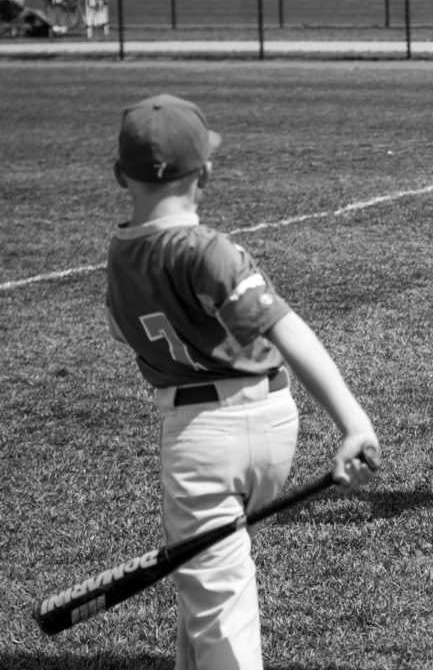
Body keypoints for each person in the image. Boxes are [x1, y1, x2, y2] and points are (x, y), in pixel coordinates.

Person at [105, 93, 381, 669]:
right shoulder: (209, 250)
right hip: (274, 423)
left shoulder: (120, 258)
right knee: (206, 592)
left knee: (221, 613)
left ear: (118, 175)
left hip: (198, 438)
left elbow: (120, 329)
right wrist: (353, 422)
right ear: (204, 172)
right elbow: (287, 331)